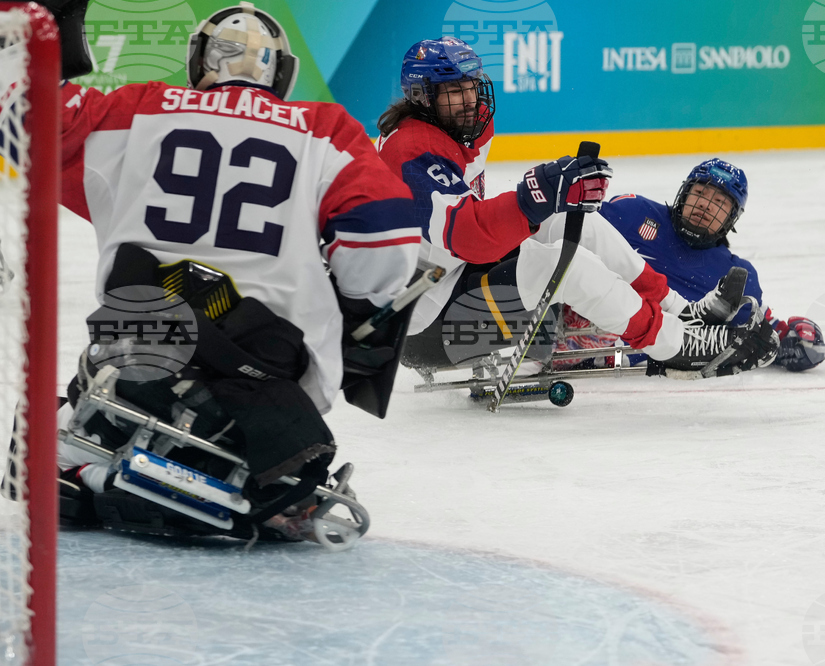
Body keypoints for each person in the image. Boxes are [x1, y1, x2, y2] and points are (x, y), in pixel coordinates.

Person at [50, 3, 421, 543]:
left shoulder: (137, 111)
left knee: (43, 435)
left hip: (139, 354)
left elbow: (30, 116)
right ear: (280, 72)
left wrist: (41, 30)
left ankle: (91, 463)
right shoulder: (325, 129)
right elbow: (384, 237)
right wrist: (358, 299)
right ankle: (238, 473)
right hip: (268, 367)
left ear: (200, 62)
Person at [375, 38, 779, 379]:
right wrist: (534, 194)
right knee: (561, 266)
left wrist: (550, 193)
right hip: (423, 328)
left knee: (569, 217)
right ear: (421, 97)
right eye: (453, 91)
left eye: (470, 86)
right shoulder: (409, 153)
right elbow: (468, 237)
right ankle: (675, 346)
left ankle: (681, 311)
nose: (468, 101)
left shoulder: (460, 126)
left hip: (447, 280)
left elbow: (470, 232)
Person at [558, 158, 824, 373]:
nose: (705, 205)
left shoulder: (735, 273)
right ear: (683, 193)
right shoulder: (632, 212)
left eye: (719, 202)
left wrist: (791, 339)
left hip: (609, 352)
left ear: (732, 218)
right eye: (699, 193)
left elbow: (761, 329)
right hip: (564, 310)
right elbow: (570, 233)